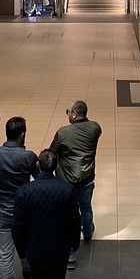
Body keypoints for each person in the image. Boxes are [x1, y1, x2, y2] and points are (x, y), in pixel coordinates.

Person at [12, 149, 80, 279]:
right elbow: (74, 221)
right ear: (56, 167)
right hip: (59, 249)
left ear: (38, 165)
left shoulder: (24, 191)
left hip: (34, 249)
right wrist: (74, 244)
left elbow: (17, 226)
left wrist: (22, 252)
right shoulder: (67, 190)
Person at [0, 117, 38, 279]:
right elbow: (39, 181)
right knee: (28, 245)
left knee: (5, 255)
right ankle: (28, 268)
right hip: (24, 213)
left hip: (1, 212)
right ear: (22, 135)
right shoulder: (28, 157)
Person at [49, 100, 101, 270]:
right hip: (87, 178)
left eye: (69, 112)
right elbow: (90, 127)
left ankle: (70, 254)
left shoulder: (63, 133)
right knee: (86, 207)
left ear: (74, 114)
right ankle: (87, 232)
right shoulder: (95, 128)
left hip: (67, 181)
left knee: (69, 215)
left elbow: (52, 152)